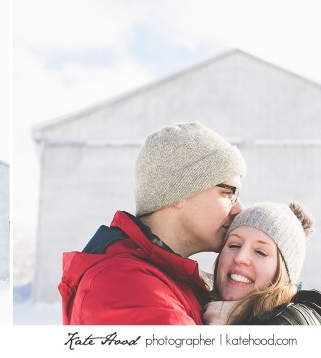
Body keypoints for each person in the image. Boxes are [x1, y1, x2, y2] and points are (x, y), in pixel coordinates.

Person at [60, 122, 247, 325]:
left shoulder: (176, 282)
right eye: (228, 193)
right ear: (179, 192)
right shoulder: (123, 285)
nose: (239, 209)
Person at [204, 202, 321, 325]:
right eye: (234, 245)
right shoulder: (195, 305)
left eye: (260, 252)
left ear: (284, 273)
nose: (240, 258)